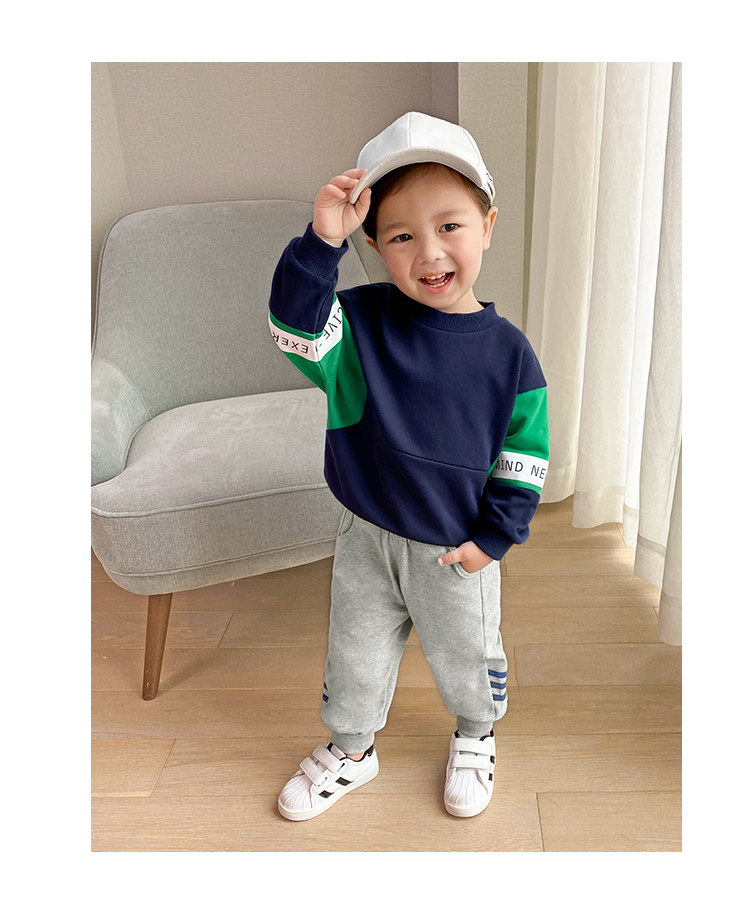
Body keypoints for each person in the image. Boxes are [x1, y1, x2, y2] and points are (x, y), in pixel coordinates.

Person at [268, 111, 549, 821]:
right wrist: (321, 242)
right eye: (400, 236)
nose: (429, 251)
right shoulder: (357, 326)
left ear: (487, 224)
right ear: (373, 244)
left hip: (454, 549)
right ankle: (352, 748)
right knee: (354, 654)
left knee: (468, 656)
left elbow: (524, 459)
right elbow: (294, 326)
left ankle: (476, 734)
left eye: (450, 225)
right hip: (366, 536)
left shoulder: (511, 357)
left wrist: (493, 539)